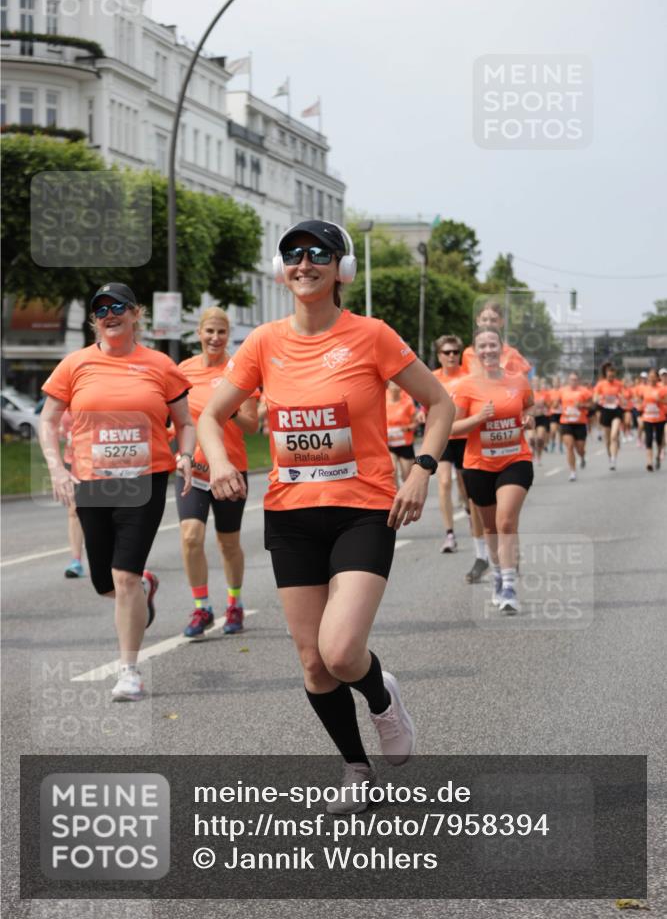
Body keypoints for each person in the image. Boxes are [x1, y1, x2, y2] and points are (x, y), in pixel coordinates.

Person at [197, 219, 454, 811]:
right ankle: (355, 767)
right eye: (292, 254)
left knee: (341, 652)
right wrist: (216, 462)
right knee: (313, 663)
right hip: (290, 517)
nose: (303, 263)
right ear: (280, 267)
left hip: (362, 510)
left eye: (318, 253)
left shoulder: (372, 336)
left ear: (342, 267)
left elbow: (440, 403)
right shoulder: (262, 343)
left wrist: (421, 469)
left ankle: (382, 697)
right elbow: (213, 416)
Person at [39, 283, 195, 701]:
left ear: (136, 314)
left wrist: (185, 456)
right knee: (104, 582)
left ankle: (129, 671)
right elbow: (48, 421)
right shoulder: (75, 364)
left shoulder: (160, 364)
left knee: (123, 577)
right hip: (92, 480)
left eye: (119, 306)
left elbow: (186, 422)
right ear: (95, 320)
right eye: (102, 309)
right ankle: (145, 588)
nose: (111, 313)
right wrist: (57, 467)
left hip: (144, 481)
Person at [177, 307, 259, 638]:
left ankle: (234, 603)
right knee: (190, 536)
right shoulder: (183, 370)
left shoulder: (239, 370)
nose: (215, 338)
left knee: (228, 543)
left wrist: (233, 411)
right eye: (209, 331)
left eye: (221, 332)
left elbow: (253, 425)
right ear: (199, 332)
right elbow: (176, 418)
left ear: (229, 335)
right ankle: (202, 608)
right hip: (193, 471)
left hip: (230, 471)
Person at [451, 327, 534, 615]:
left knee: (506, 521)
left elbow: (530, 408)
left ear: (501, 348)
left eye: (492, 344)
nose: (488, 350)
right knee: (489, 527)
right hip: (479, 465)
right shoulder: (465, 386)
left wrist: (528, 419)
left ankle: (510, 586)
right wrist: (478, 418)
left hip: (516, 459)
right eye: (482, 346)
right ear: (475, 352)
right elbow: (451, 428)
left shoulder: (518, 380)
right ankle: (498, 574)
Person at [432, 334, 469, 554]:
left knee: (465, 485)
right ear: (439, 356)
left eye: (456, 352)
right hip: (443, 437)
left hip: (466, 436)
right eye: (447, 352)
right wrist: (420, 415)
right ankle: (449, 534)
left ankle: (468, 507)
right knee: (444, 482)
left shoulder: (469, 376)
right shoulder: (433, 377)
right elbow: (423, 400)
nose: (452, 356)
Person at [59, 408, 86, 578]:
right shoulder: (61, 402)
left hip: (98, 461)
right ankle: (76, 561)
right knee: (74, 511)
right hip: (72, 461)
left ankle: (119, 558)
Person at [559, 372, 593, 481]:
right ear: (568, 380)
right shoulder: (562, 391)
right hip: (566, 422)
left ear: (578, 381)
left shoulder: (585, 391)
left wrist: (582, 405)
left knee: (580, 449)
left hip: (580, 423)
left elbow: (592, 405)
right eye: (571, 379)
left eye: (575, 379)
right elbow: (554, 404)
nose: (573, 381)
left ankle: (582, 457)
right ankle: (573, 472)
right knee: (569, 447)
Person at [593, 361, 625, 470]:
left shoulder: (619, 384)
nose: (611, 375)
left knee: (613, 436)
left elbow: (624, 398)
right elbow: (595, 398)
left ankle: (613, 460)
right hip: (605, 411)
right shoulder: (601, 384)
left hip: (616, 411)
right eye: (609, 373)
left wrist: (621, 398)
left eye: (613, 373)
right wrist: (599, 398)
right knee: (607, 440)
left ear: (615, 374)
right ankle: (610, 456)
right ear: (606, 374)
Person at [385, 381, 418, 486]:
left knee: (406, 477)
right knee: (392, 471)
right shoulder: (383, 399)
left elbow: (415, 424)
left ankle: (407, 497)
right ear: (388, 387)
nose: (394, 388)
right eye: (392, 386)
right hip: (389, 444)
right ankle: (396, 499)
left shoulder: (407, 402)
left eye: (397, 386)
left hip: (405, 444)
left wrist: (407, 428)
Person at [637, 368, 667, 471]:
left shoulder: (662, 389)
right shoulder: (644, 389)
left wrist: (660, 400)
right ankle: (649, 462)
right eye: (650, 377)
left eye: (654, 377)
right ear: (648, 378)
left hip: (659, 418)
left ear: (657, 378)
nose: (652, 379)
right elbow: (640, 400)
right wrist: (640, 406)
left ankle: (658, 456)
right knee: (648, 440)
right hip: (648, 418)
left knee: (659, 440)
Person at [532, 378, 551, 466]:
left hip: (542, 418)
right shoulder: (529, 393)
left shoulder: (545, 393)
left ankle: (539, 457)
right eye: (534, 382)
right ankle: (534, 453)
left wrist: (544, 404)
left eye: (538, 382)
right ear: (532, 383)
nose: (536, 384)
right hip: (532, 418)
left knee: (539, 438)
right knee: (531, 439)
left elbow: (550, 405)